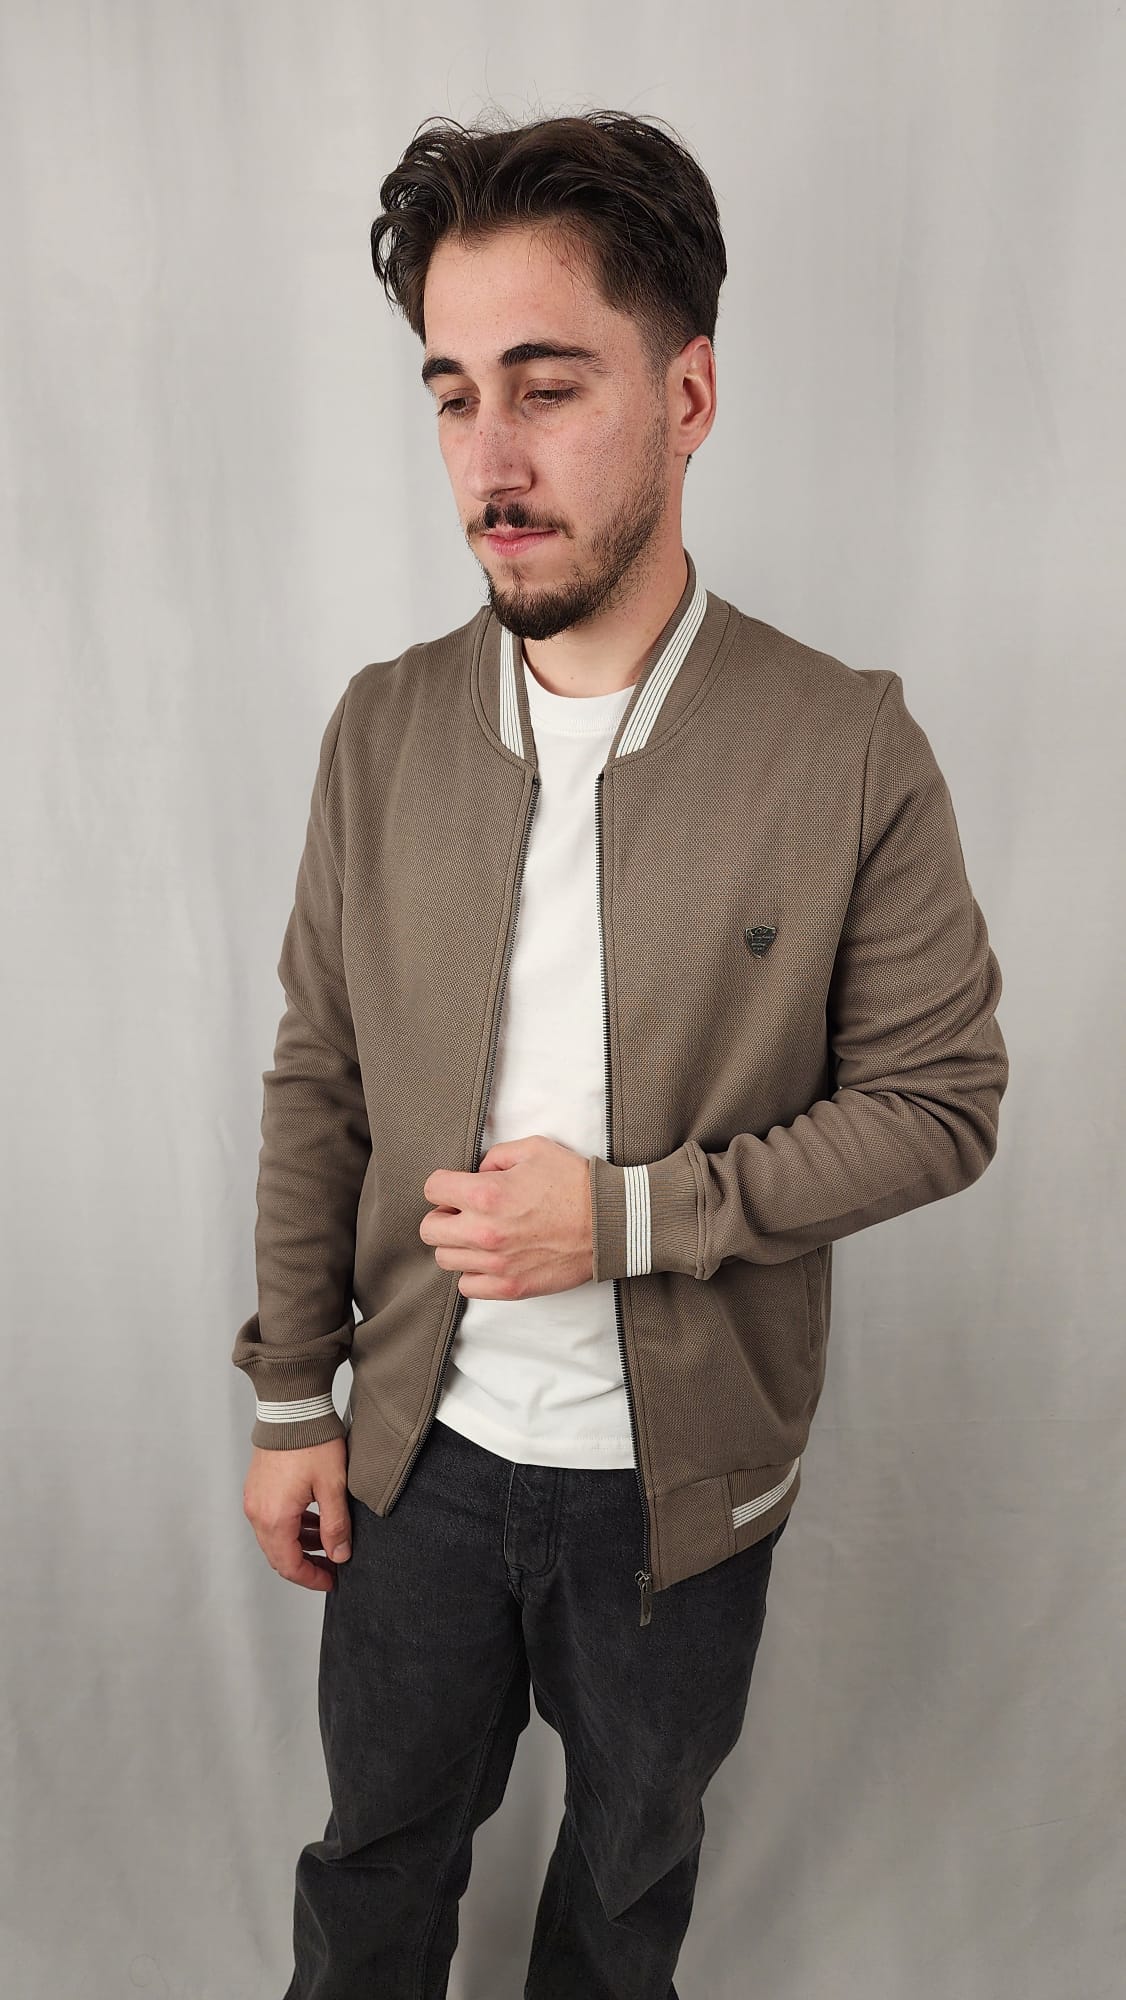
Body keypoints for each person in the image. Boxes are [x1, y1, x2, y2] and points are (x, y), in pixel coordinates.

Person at [231, 108, 1009, 2000]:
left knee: (626, 1884)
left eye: (547, 386)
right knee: (372, 1867)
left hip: (677, 1495)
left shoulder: (845, 744)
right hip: (413, 1459)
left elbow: (939, 1106)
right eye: (450, 395)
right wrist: (289, 1399)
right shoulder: (382, 727)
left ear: (688, 394)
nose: (487, 461)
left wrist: (629, 1219)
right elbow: (320, 1077)